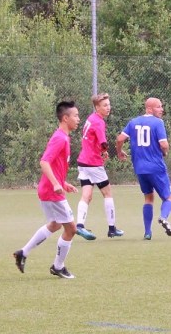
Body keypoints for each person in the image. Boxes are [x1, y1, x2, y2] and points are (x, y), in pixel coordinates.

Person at [13, 101, 81, 279]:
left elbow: (55, 166)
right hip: (51, 192)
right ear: (65, 118)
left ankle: (23, 252)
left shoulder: (64, 137)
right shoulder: (60, 138)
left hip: (49, 189)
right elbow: (44, 162)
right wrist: (56, 184)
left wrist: (63, 183)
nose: (78, 119)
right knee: (71, 229)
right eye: (75, 116)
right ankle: (58, 266)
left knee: (56, 224)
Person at [116, 97, 171, 240]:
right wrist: (165, 152)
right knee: (168, 198)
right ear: (149, 109)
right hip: (156, 167)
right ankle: (163, 217)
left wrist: (119, 151)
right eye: (158, 107)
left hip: (140, 169)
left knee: (148, 198)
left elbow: (119, 139)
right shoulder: (158, 123)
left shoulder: (133, 122)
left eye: (161, 106)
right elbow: (164, 145)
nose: (161, 109)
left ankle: (147, 232)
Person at [75, 93, 124, 240]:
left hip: (83, 162)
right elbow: (103, 142)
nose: (108, 107)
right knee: (107, 193)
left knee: (86, 195)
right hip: (93, 163)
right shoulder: (99, 122)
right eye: (104, 105)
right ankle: (112, 229)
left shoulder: (91, 118)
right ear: (97, 107)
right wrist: (104, 151)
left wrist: (101, 151)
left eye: (109, 104)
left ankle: (79, 226)